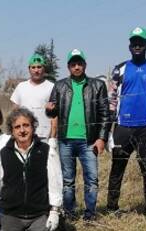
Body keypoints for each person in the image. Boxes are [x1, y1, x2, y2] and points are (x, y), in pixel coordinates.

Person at [106, 27, 146, 217]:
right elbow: (112, 100)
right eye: (134, 43)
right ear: (129, 46)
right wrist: (108, 132)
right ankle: (111, 207)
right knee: (117, 168)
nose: (137, 46)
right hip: (123, 127)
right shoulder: (120, 69)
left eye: (141, 43)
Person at [47, 49, 110, 221]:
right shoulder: (59, 86)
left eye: (79, 63)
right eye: (73, 64)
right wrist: (49, 110)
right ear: (68, 66)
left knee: (92, 180)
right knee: (67, 181)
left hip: (89, 141)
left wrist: (102, 138)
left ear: (85, 65)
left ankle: (90, 214)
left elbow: (106, 114)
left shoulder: (97, 86)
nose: (77, 67)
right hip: (66, 141)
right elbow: (52, 113)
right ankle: (69, 214)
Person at [10, 54, 56, 141]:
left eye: (39, 67)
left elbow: (55, 116)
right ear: (29, 69)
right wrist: (14, 132)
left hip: (43, 136)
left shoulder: (52, 87)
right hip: (23, 135)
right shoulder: (21, 86)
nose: (36, 70)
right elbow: (14, 112)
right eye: (33, 67)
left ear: (44, 69)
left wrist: (52, 137)